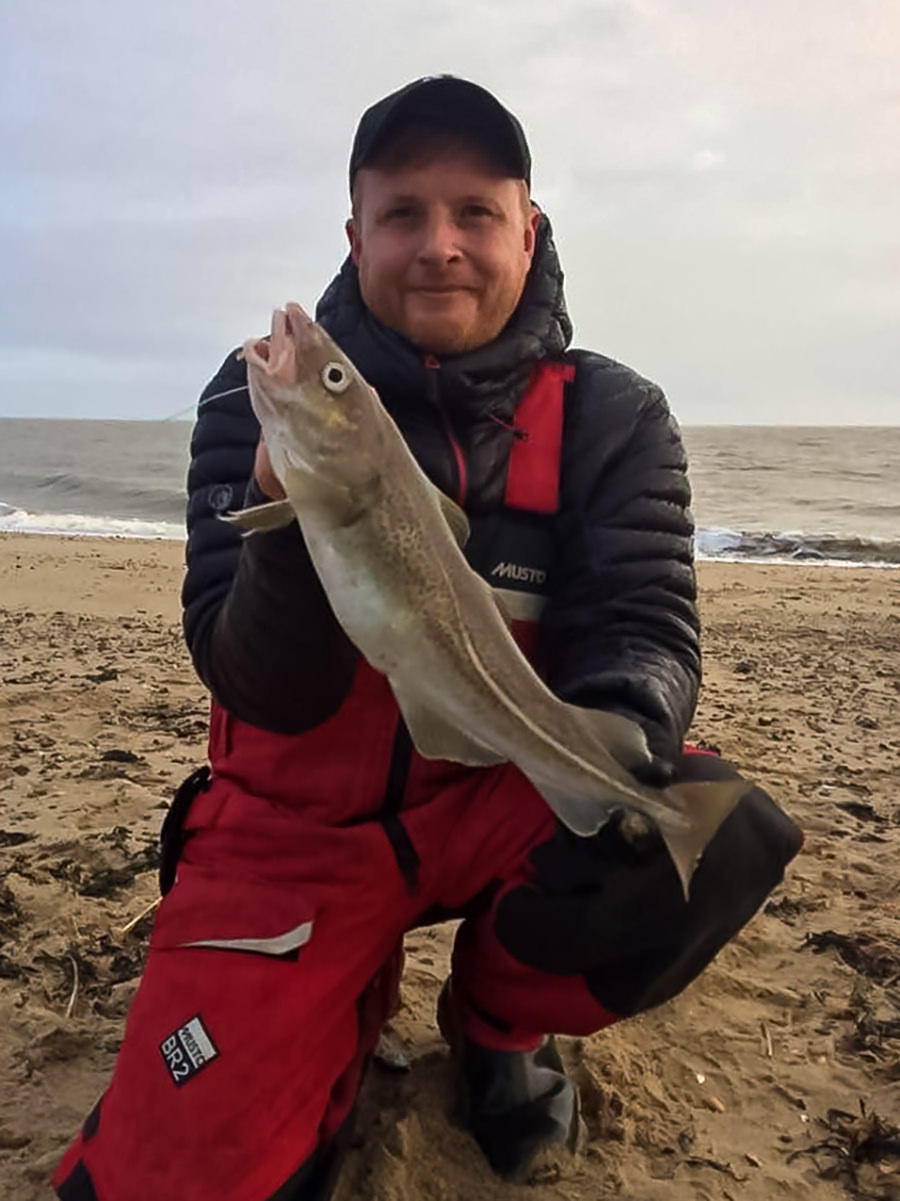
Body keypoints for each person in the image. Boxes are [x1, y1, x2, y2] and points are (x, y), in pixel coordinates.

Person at [54, 77, 802, 1201]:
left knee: (713, 834)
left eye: (475, 213)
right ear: (355, 236)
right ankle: (325, 1005)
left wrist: (618, 735)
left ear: (528, 229)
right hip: (295, 835)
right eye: (403, 213)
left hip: (497, 792)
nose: (439, 245)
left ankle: (497, 1018)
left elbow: (643, 623)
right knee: (173, 1178)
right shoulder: (247, 403)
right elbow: (253, 680)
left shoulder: (613, 415)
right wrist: (296, 521)